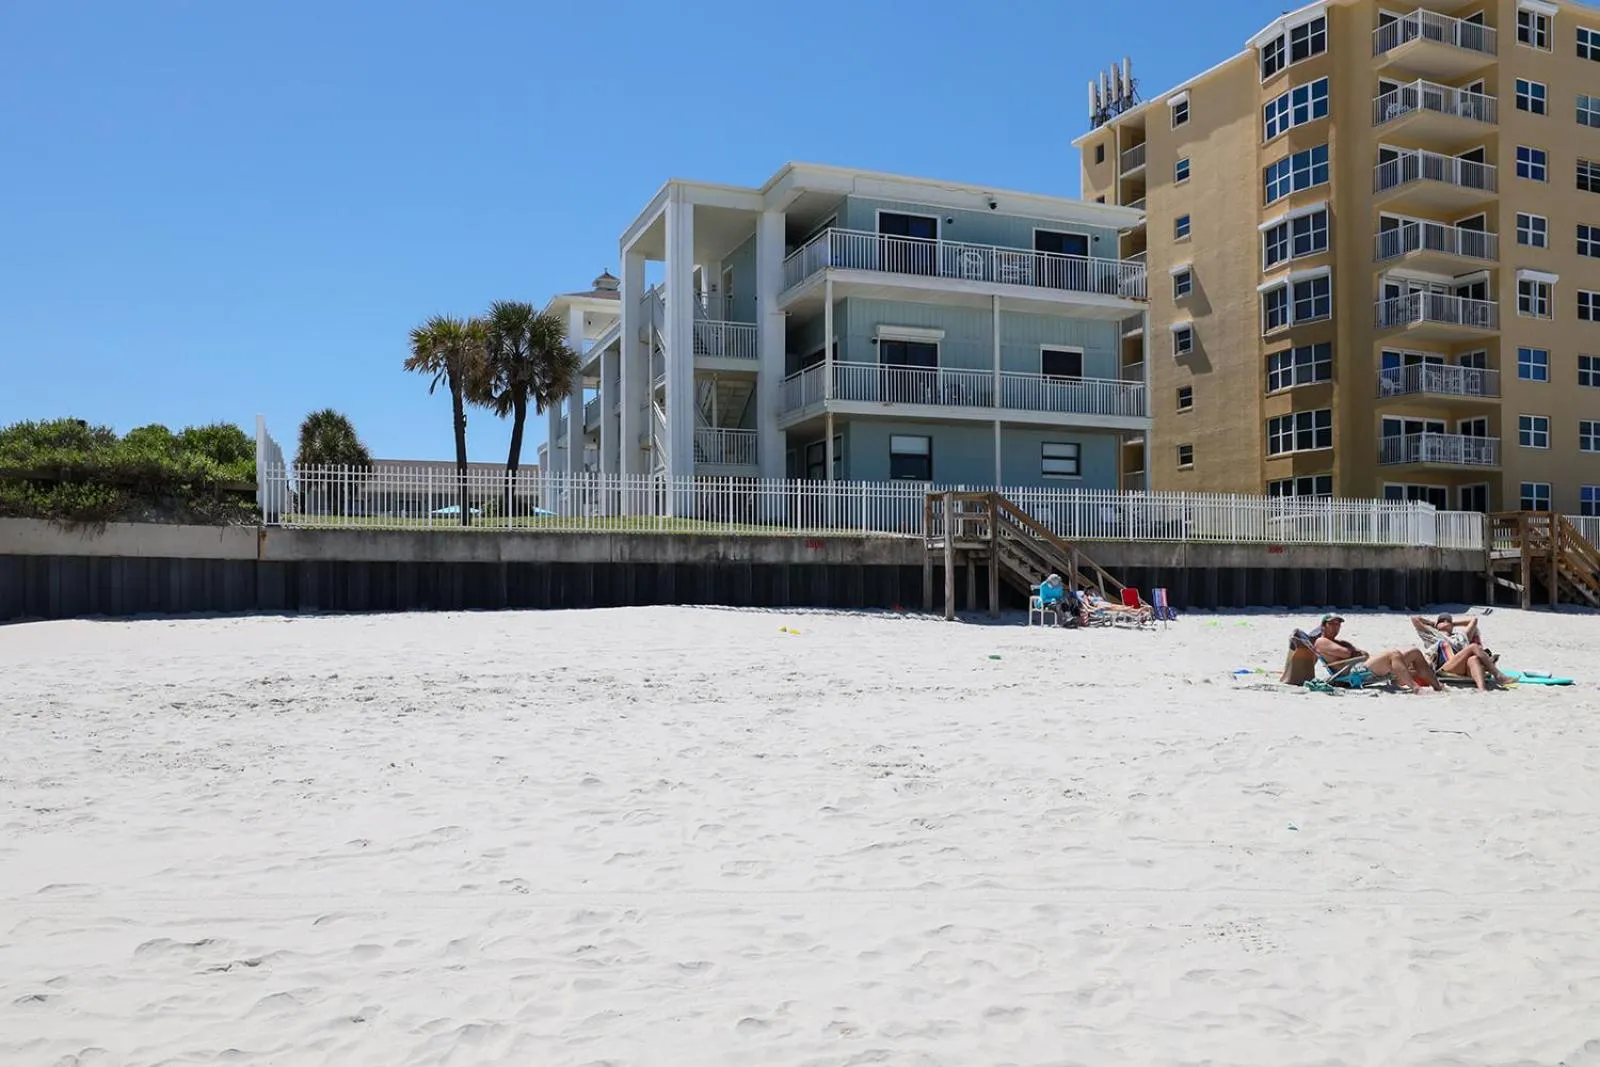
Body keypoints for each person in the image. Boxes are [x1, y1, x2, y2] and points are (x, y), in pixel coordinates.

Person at [1310, 614, 1441, 692]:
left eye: (1338, 624)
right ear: (1323, 626)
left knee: (1414, 652)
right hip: (1353, 672)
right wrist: (1353, 651)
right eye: (1331, 624)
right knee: (1393, 654)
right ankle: (1416, 688)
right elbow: (1346, 653)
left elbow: (1362, 653)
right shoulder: (1321, 641)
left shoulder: (1338, 641)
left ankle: (1438, 687)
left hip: (1362, 665)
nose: (1335, 626)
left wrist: (1354, 651)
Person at [1411, 613, 1511, 691]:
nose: (1445, 622)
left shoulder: (1462, 636)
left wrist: (1453, 624)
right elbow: (1415, 619)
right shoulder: (1432, 636)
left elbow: (1474, 620)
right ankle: (1498, 675)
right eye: (1442, 620)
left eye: (1448, 621)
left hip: (1462, 665)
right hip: (1445, 667)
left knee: (1474, 658)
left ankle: (1482, 690)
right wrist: (1433, 624)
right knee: (1473, 647)